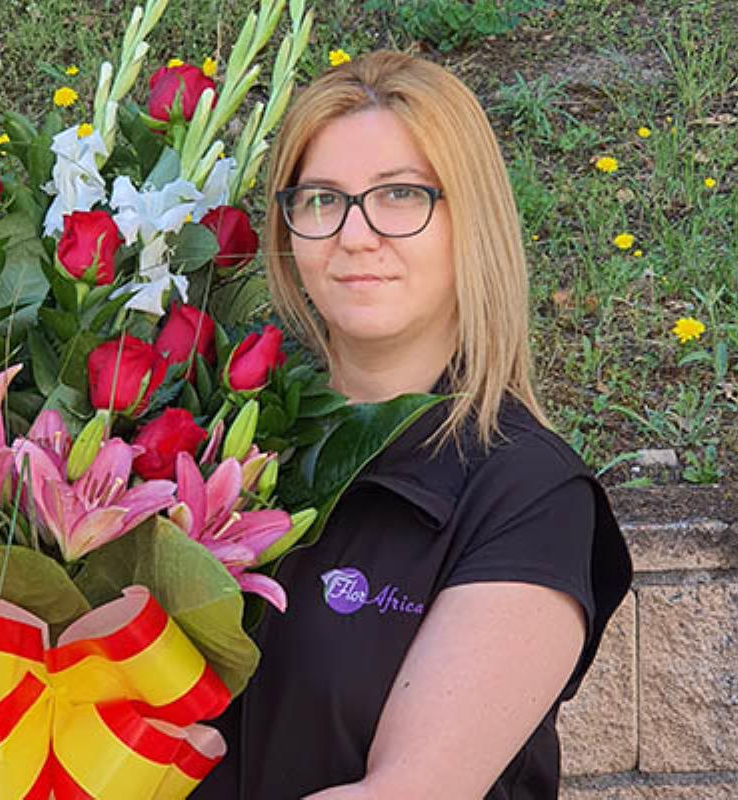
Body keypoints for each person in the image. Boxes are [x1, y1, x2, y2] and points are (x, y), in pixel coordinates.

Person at [193, 50, 633, 799]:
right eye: (322, 199)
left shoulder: (528, 497)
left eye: (400, 195)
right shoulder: (221, 444)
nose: (356, 236)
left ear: (473, 218)